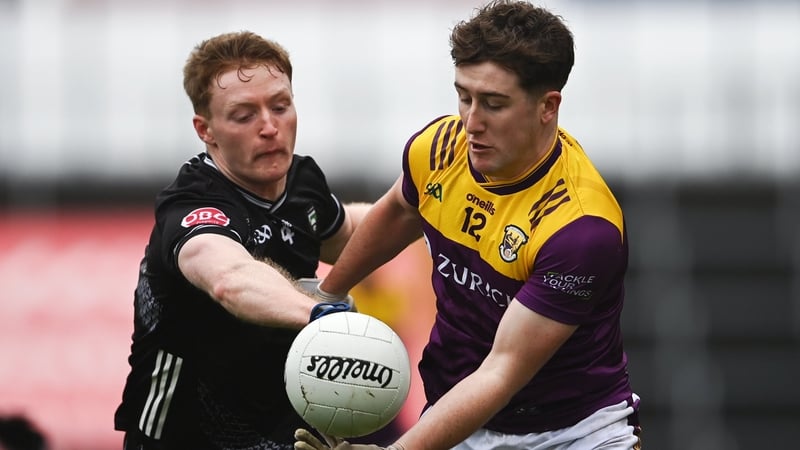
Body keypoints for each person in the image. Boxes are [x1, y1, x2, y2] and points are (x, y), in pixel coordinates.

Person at [295, 1, 642, 449]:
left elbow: (501, 373)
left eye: (494, 104)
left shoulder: (581, 229)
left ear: (547, 106)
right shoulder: (440, 148)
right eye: (464, 96)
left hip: (575, 433)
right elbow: (401, 208)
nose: (471, 122)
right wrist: (327, 294)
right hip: (458, 417)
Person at [113, 31, 370, 449]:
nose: (270, 127)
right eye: (244, 115)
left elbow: (348, 236)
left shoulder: (302, 183)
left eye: (281, 107)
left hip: (277, 430)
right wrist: (323, 315)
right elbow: (230, 278)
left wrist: (422, 203)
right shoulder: (193, 204)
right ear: (206, 130)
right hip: (179, 438)